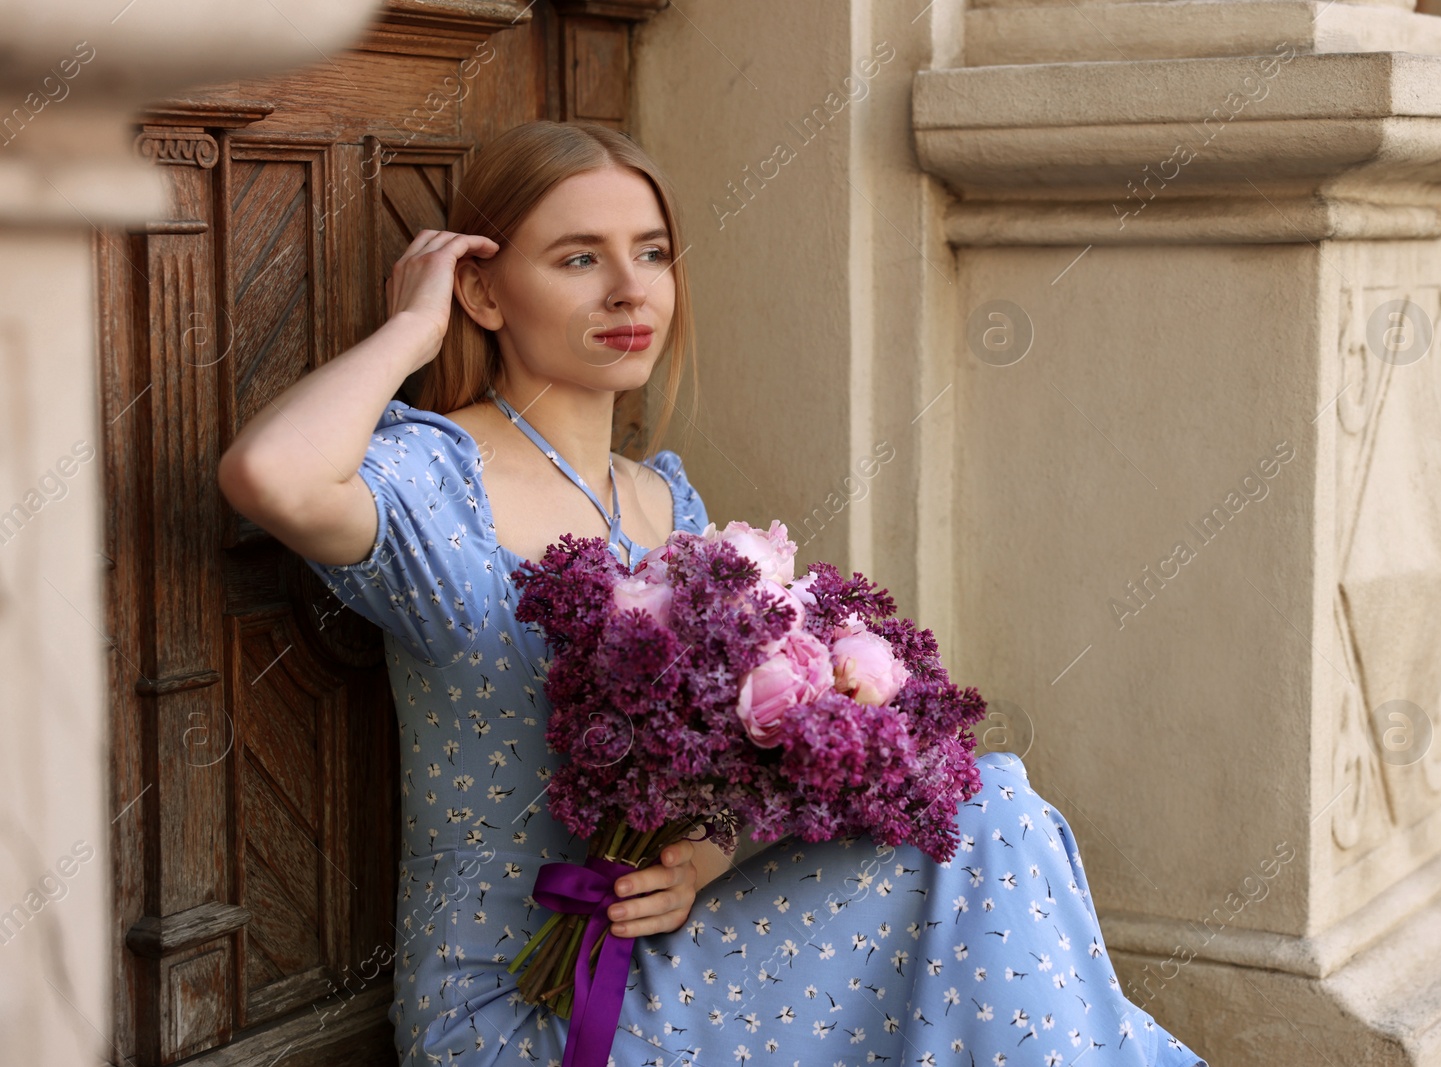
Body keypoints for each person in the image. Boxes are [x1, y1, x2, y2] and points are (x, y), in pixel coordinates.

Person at [218, 119, 1204, 1067]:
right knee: (988, 824)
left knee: (991, 805)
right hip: (526, 1007)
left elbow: (721, 775)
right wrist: (410, 327)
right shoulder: (444, 479)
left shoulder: (666, 500)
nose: (626, 288)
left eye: (650, 252)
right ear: (483, 290)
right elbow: (271, 474)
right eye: (576, 258)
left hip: (663, 953)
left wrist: (707, 856)